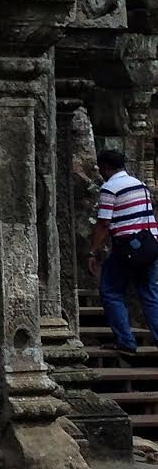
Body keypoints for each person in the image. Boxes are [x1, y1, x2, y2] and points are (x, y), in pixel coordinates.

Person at [87, 148, 158, 356]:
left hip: (127, 248)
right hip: (149, 246)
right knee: (150, 295)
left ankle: (125, 341)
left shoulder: (110, 188)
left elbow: (103, 223)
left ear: (106, 167)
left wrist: (92, 251)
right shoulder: (140, 185)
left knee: (110, 291)